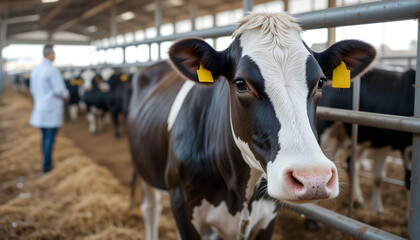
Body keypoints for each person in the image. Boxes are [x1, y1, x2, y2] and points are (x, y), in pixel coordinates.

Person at [29, 45, 69, 173]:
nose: (55, 56)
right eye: (54, 53)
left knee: (44, 137)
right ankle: (47, 166)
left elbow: (32, 89)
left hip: (40, 107)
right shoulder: (52, 70)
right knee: (50, 139)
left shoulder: (35, 70)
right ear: (49, 54)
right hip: (51, 108)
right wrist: (66, 95)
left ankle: (47, 162)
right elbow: (59, 90)